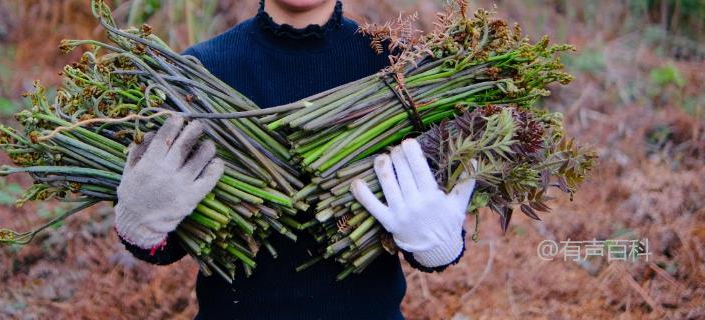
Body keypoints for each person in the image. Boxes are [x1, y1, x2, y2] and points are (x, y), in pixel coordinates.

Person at [113, 1, 475, 319]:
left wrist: (437, 245)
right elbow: (170, 246)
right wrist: (140, 225)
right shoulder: (198, 71)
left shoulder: (399, 69)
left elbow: (433, 247)